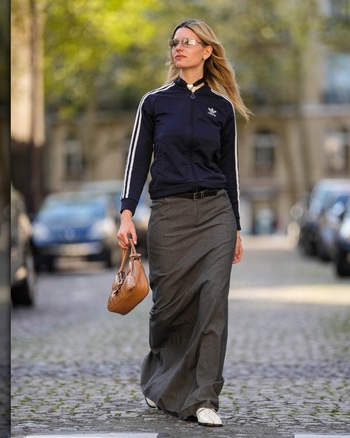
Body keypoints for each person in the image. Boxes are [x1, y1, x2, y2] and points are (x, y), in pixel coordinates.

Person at [117, 18, 250, 427]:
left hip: (215, 215)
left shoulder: (221, 107)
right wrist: (126, 213)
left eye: (187, 42)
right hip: (170, 215)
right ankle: (161, 381)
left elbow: (230, 172)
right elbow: (137, 160)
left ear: (207, 51)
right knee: (168, 309)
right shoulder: (154, 102)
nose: (178, 48)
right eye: (174, 42)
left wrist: (237, 228)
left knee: (213, 306)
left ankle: (204, 396)